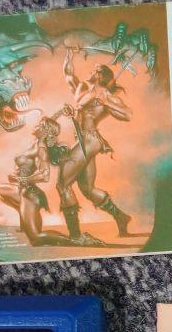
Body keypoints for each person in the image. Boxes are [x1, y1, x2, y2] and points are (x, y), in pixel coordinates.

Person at [55, 52, 132, 240]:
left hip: (90, 139)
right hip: (81, 139)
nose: (91, 71)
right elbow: (68, 75)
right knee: (87, 189)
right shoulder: (82, 88)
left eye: (95, 70)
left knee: (63, 184)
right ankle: (121, 217)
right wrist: (69, 56)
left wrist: (107, 103)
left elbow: (127, 114)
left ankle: (75, 236)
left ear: (101, 76)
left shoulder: (106, 95)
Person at [0, 117, 100, 246]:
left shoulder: (41, 149)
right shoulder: (36, 142)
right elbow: (51, 122)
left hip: (29, 194)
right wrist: (60, 113)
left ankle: (75, 241)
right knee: (1, 190)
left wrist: (23, 179)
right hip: (23, 191)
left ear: (45, 132)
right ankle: (25, 219)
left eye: (40, 125)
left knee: (36, 239)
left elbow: (44, 176)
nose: (36, 125)